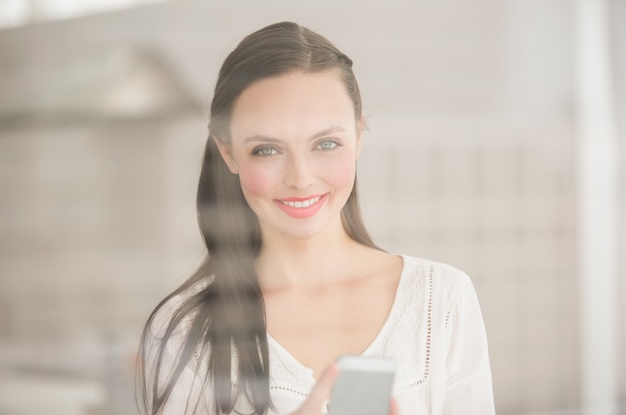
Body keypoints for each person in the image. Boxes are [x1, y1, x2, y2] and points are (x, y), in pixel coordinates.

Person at [137, 21, 495, 415]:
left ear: (359, 135)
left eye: (326, 143)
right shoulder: (186, 330)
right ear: (227, 153)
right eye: (267, 150)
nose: (301, 178)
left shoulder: (441, 300)